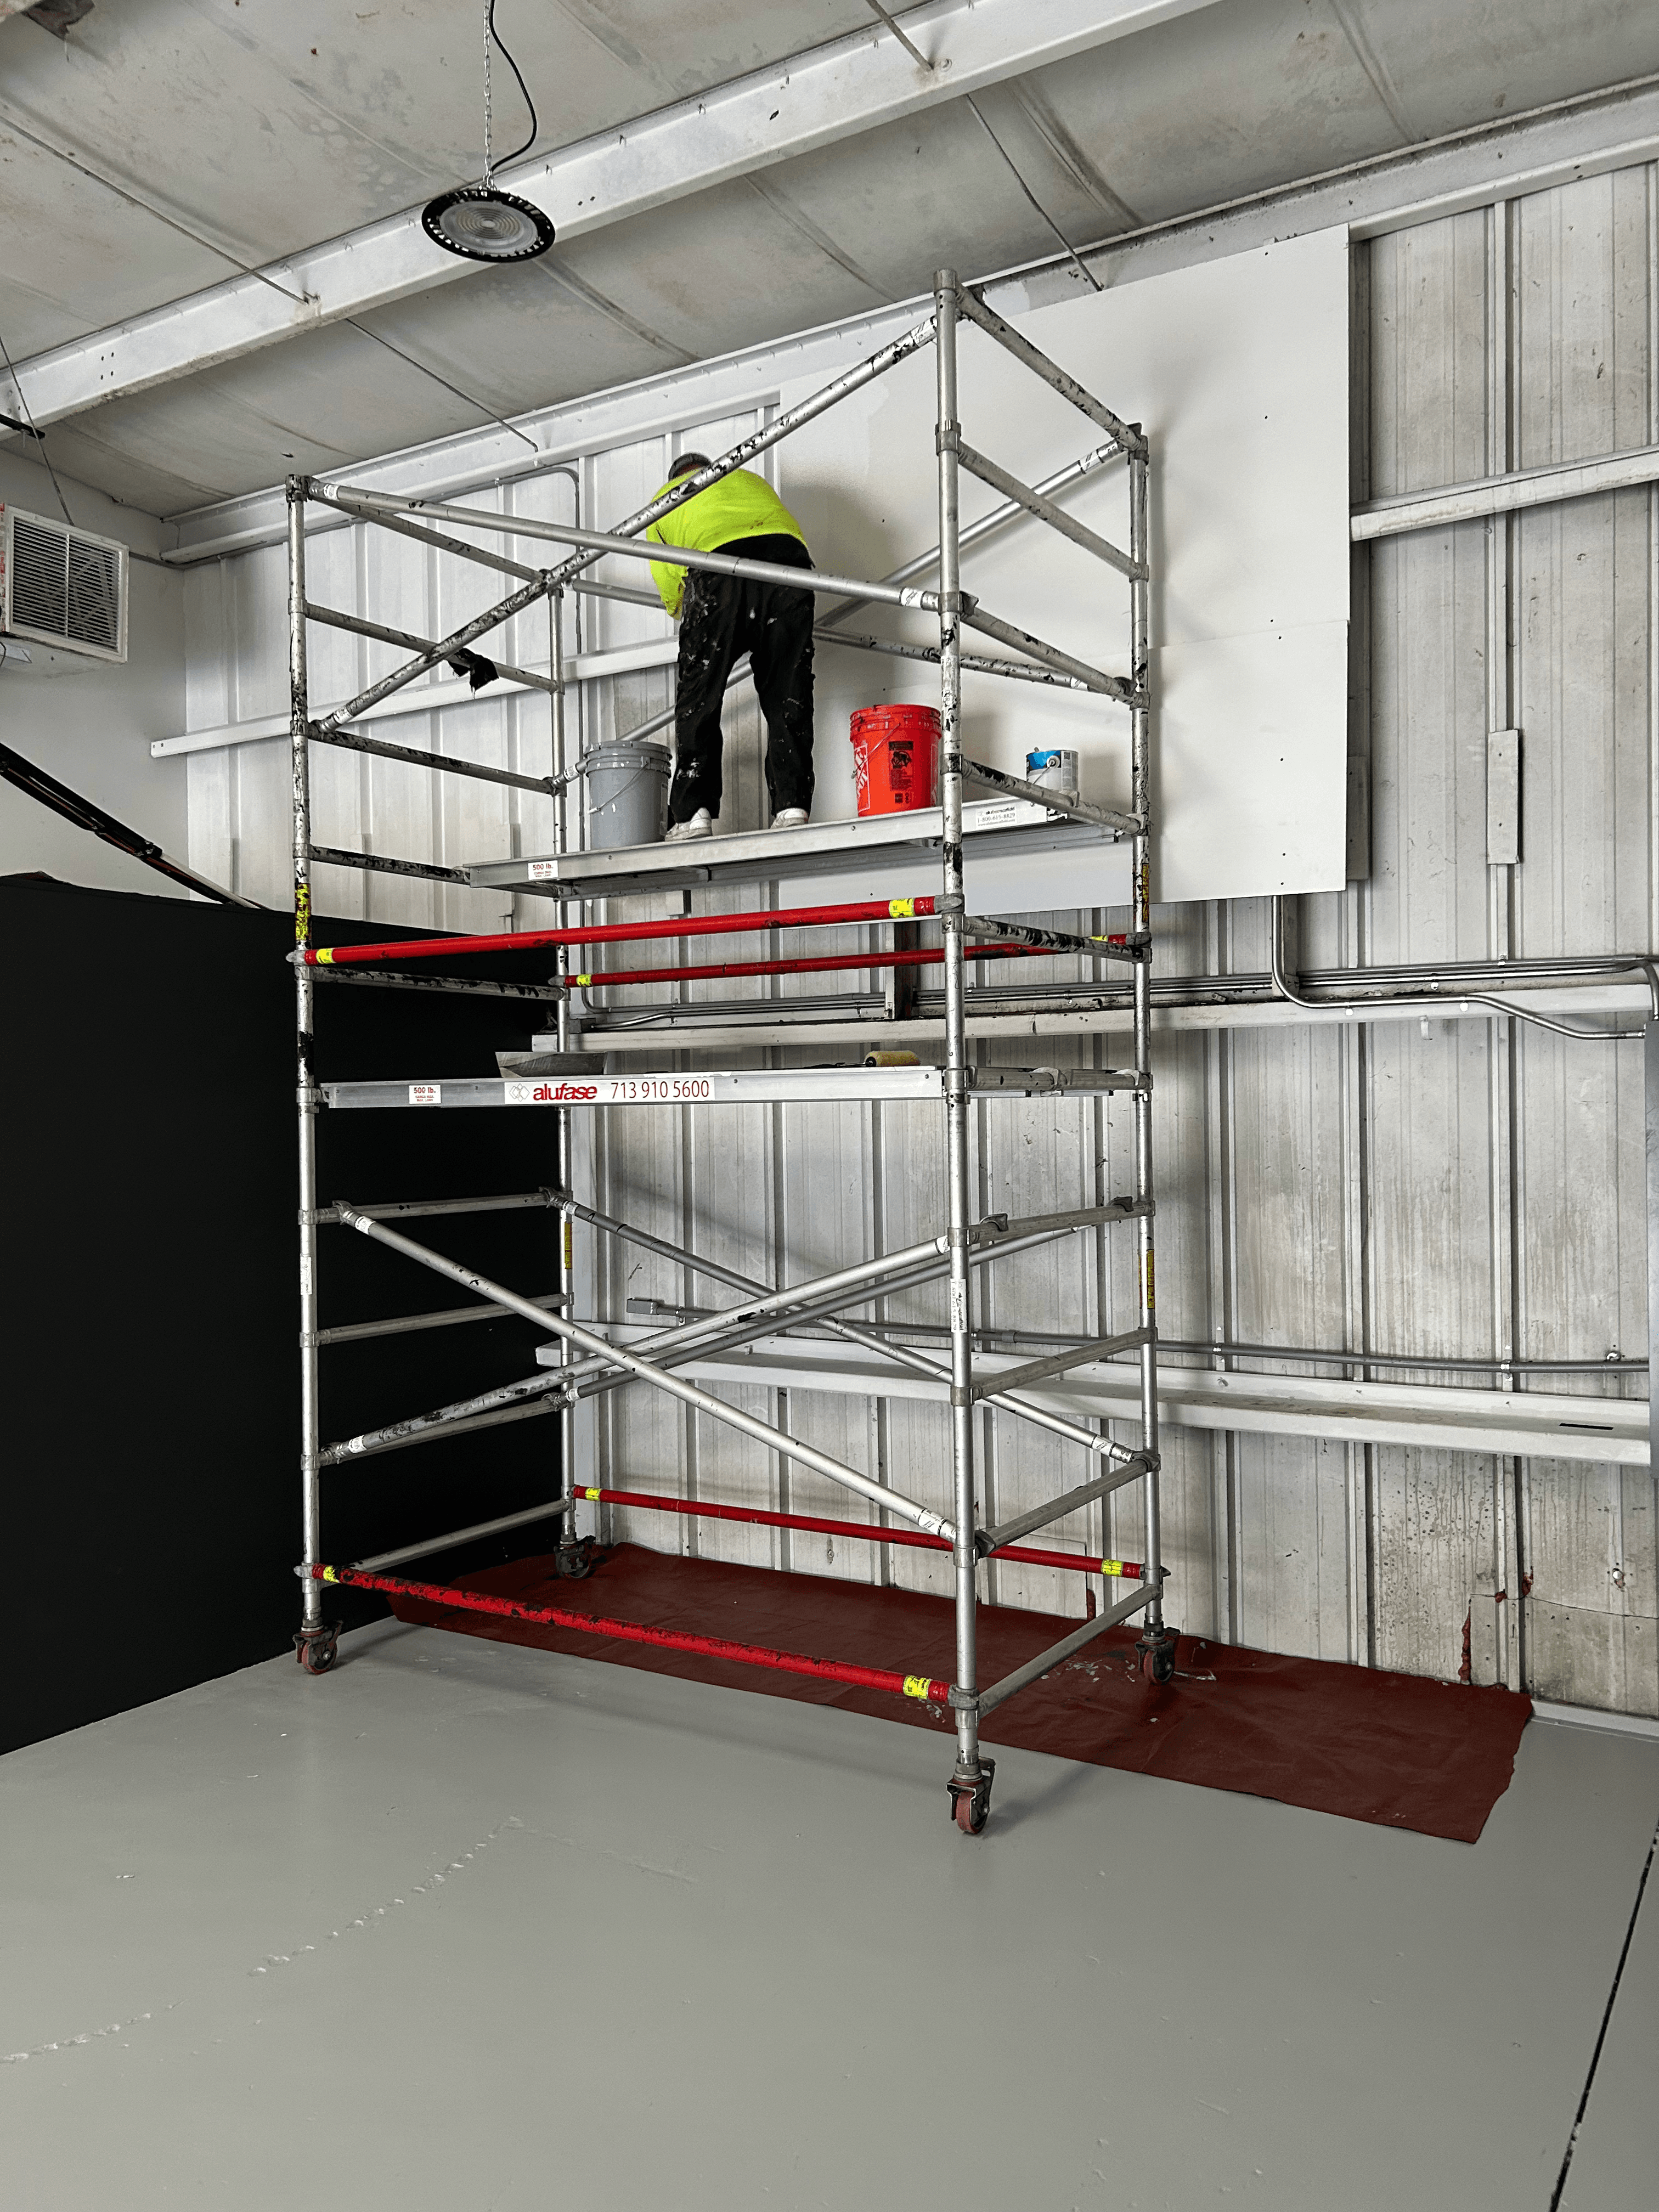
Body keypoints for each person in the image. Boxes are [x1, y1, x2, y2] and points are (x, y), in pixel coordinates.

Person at [645, 453, 815, 842]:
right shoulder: (748, 478)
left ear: (676, 478)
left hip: (718, 564)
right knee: (788, 690)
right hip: (789, 566)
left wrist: (688, 616)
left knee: (699, 694)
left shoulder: (666, 499)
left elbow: (671, 585)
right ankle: (792, 807)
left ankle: (693, 814)